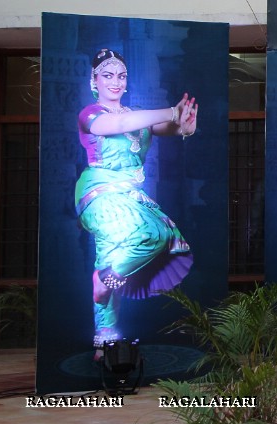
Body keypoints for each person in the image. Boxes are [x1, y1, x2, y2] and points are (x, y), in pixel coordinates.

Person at [76, 48, 198, 353]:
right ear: (94, 81)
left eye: (121, 76)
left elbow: (169, 127)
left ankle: (105, 337)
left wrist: (184, 126)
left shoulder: (136, 114)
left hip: (131, 196)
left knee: (115, 256)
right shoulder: (91, 114)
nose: (115, 82)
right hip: (100, 194)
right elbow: (117, 126)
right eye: (107, 75)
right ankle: (105, 280)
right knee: (150, 234)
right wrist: (171, 111)